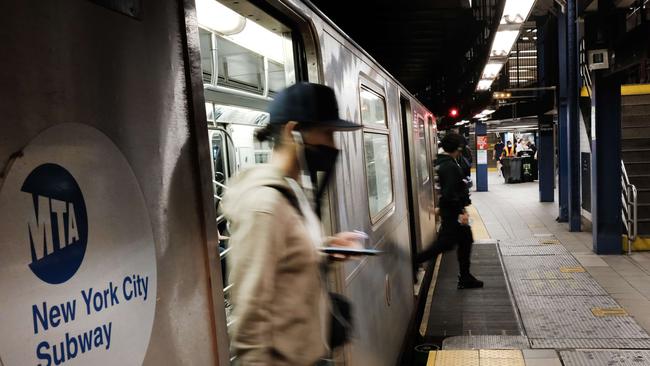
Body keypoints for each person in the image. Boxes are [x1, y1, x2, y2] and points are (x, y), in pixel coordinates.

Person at [222, 82, 362, 365]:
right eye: (327, 134)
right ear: (292, 131)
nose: (332, 146)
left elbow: (285, 259)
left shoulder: (295, 191)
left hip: (311, 354)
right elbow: (250, 311)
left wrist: (326, 248)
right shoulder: (265, 205)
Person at [416, 132, 483, 289]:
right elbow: (450, 194)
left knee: (465, 240)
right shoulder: (450, 166)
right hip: (454, 214)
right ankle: (417, 260)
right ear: (458, 148)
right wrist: (461, 212)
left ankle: (465, 277)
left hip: (451, 212)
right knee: (445, 244)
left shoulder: (444, 163)